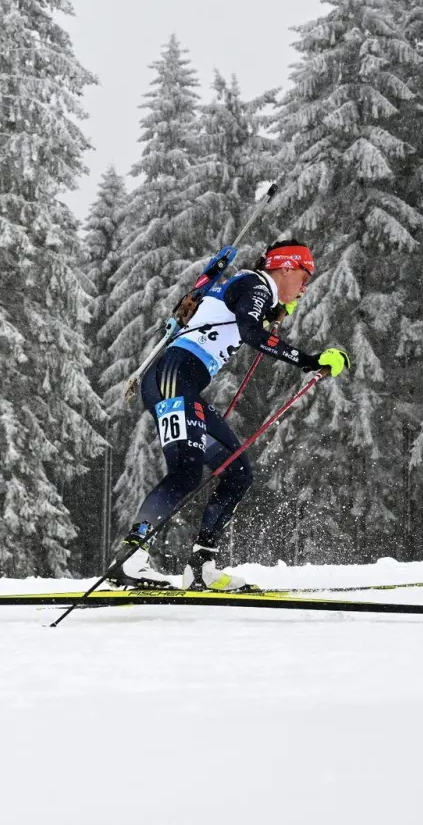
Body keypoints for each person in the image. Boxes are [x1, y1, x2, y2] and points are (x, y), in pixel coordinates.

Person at [107, 240, 350, 591]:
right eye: (304, 276)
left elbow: (236, 317)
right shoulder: (256, 284)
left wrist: (269, 313)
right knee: (187, 472)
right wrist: (309, 361)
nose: (304, 287)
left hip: (176, 382)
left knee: (237, 472)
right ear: (285, 267)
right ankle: (132, 558)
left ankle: (201, 566)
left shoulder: (253, 292)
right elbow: (251, 333)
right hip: (173, 379)